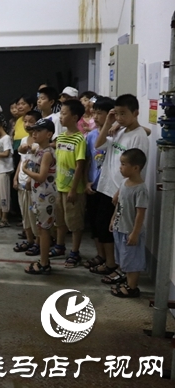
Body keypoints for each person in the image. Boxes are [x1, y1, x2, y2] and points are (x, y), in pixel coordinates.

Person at [91, 94, 149, 285]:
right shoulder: (119, 130)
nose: (120, 117)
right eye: (117, 113)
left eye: (123, 113)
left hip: (120, 191)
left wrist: (120, 192)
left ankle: (117, 267)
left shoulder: (139, 136)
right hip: (107, 186)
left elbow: (137, 168)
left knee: (117, 233)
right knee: (105, 228)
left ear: (136, 113)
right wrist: (109, 122)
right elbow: (98, 145)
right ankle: (113, 264)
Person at [50, 99, 87, 268]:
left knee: (74, 222)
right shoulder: (61, 137)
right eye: (60, 113)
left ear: (74, 117)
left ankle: (75, 252)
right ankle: (59, 246)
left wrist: (73, 189)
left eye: (64, 114)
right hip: (59, 186)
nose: (61, 117)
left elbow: (80, 166)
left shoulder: (79, 139)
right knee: (60, 220)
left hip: (73, 189)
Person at [109, 148, 148, 298]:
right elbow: (119, 203)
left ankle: (132, 287)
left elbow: (140, 213)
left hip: (130, 232)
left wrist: (135, 233)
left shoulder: (140, 189)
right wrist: (113, 219)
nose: (120, 167)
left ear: (136, 168)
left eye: (124, 164)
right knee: (124, 258)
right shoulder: (124, 183)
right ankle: (126, 281)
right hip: (120, 228)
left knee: (132, 261)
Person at [22, 118, 57, 274]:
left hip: (46, 195)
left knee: (44, 230)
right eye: (33, 131)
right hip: (39, 195)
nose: (34, 134)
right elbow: (24, 151)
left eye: (38, 131)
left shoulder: (47, 153)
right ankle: (43, 260)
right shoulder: (39, 149)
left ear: (49, 134)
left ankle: (44, 263)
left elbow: (42, 176)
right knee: (41, 228)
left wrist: (26, 171)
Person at [83, 97, 114, 270]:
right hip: (93, 185)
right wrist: (87, 181)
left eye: (99, 113)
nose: (95, 116)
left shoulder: (116, 134)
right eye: (94, 113)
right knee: (94, 223)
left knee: (105, 224)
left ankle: (110, 260)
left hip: (108, 187)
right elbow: (88, 160)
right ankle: (100, 255)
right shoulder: (92, 135)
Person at [13, 110, 41, 254]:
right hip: (22, 182)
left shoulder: (39, 142)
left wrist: (31, 178)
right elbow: (21, 160)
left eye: (31, 121)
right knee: (25, 214)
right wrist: (15, 177)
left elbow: (39, 163)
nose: (27, 124)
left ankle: (38, 242)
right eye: (25, 121)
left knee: (34, 214)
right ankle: (29, 240)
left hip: (34, 184)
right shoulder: (24, 140)